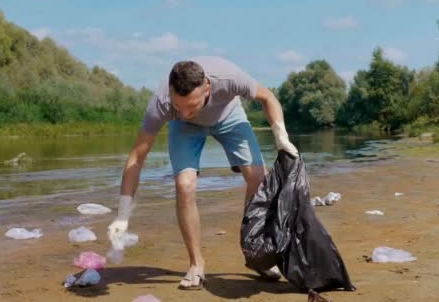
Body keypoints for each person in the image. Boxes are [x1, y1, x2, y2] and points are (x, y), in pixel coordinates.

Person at [107, 56, 298, 290]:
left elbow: (268, 98)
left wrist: (281, 137)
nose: (186, 112)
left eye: (192, 105)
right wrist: (123, 215)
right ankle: (196, 263)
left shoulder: (229, 78)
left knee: (259, 176)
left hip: (228, 116)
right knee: (184, 185)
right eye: (179, 106)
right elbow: (137, 157)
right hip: (184, 132)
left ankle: (255, 251)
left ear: (207, 87)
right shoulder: (163, 103)